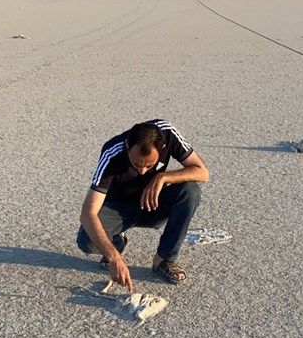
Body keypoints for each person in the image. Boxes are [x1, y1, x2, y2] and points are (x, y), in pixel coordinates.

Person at [77, 119, 209, 292]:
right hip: (119, 208)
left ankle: (164, 260)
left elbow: (202, 173)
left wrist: (162, 177)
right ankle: (116, 241)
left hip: (152, 204)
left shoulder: (168, 134)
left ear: (162, 149)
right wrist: (113, 257)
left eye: (150, 165)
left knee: (190, 191)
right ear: (127, 146)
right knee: (87, 241)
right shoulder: (112, 152)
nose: (143, 171)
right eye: (136, 164)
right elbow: (88, 213)